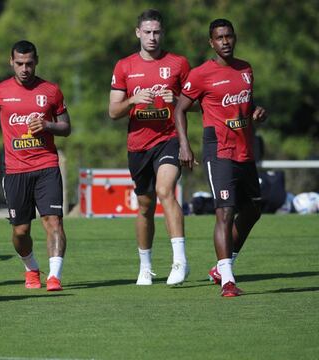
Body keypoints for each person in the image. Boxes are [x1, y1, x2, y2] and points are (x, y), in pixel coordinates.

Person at [0, 40, 71, 291]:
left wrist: (47, 125)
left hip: (46, 166)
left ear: (37, 61)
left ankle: (54, 276)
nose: (25, 69)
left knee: (53, 221)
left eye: (29, 63)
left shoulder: (51, 91)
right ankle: (31, 267)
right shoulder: (0, 91)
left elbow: (66, 127)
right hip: (15, 171)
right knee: (21, 231)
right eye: (20, 63)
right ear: (11, 62)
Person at [174, 19, 267, 297]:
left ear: (234, 38)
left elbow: (245, 105)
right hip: (219, 150)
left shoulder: (246, 69)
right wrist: (184, 146)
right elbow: (180, 109)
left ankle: (220, 267)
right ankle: (227, 279)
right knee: (225, 211)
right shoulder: (201, 74)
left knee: (253, 209)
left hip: (245, 149)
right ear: (211, 42)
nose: (224, 41)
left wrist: (258, 112)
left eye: (228, 36)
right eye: (219, 37)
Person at [108, 9, 190, 286]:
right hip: (138, 145)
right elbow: (113, 111)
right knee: (144, 206)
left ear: (162, 33)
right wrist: (132, 100)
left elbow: (199, 104)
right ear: (138, 33)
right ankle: (145, 266)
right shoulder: (124, 66)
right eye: (147, 32)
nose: (152, 37)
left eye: (157, 32)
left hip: (169, 140)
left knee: (164, 190)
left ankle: (180, 261)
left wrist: (177, 98)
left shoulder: (178, 64)